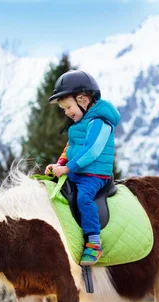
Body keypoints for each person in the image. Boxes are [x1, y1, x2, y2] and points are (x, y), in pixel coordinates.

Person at [45, 70, 121, 266]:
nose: (67, 112)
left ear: (84, 99)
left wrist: (69, 168)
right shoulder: (77, 124)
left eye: (68, 107)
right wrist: (59, 164)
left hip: (95, 175)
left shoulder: (99, 121)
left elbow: (92, 151)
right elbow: (70, 148)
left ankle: (94, 243)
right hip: (77, 171)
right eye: (63, 109)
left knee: (83, 197)